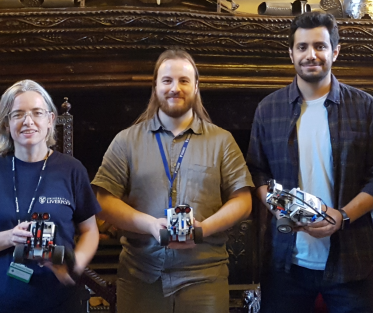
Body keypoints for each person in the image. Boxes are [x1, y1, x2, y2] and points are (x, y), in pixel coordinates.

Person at [246, 11, 373, 313]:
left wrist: (342, 216)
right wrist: (280, 208)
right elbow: (257, 172)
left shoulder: (365, 106)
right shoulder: (268, 109)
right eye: (302, 47)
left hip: (352, 260)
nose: (311, 55)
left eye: (320, 46)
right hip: (286, 264)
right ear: (291, 53)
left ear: (335, 51)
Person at [92, 49, 253, 313]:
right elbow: (104, 201)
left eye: (184, 80)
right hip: (141, 274)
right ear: (155, 86)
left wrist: (203, 229)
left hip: (205, 276)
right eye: (167, 80)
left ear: (197, 86)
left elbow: (243, 201)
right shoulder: (126, 140)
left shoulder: (222, 141)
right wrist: (151, 225)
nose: (174, 88)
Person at [0, 80, 100, 313]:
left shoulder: (72, 170)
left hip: (59, 301)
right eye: (18, 114)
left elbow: (90, 231)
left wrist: (75, 266)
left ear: (51, 120)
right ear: (6, 123)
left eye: (37, 113)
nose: (28, 121)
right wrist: (10, 237)